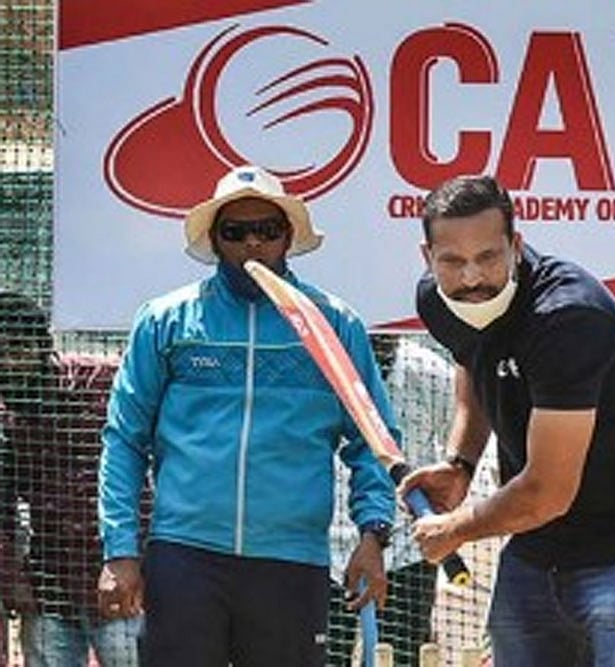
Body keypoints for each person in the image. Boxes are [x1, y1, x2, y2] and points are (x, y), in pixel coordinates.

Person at [399, 175, 615, 667]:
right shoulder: (439, 299)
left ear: (516, 245)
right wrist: (461, 463)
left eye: (488, 257)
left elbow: (547, 491)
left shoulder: (568, 316)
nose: (472, 277)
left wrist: (455, 529)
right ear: (427, 256)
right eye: (453, 261)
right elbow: (471, 361)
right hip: (539, 542)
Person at [96, 165, 397, 666]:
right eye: (236, 232)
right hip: (185, 556)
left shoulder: (333, 325)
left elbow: (374, 439)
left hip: (291, 561)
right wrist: (120, 551)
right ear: (215, 240)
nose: (253, 243)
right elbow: (125, 440)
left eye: (268, 230)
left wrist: (374, 534)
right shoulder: (166, 321)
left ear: (288, 237)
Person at [0, 291, 141, 666]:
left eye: (18, 348)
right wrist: (13, 578)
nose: (8, 362)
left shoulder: (101, 381)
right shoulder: (4, 418)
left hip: (122, 577)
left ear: (42, 346)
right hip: (50, 586)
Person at [328, 333, 453, 666]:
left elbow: (460, 449)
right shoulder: (316, 364)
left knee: (401, 657)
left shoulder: (426, 369)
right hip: (324, 549)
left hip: (405, 551)